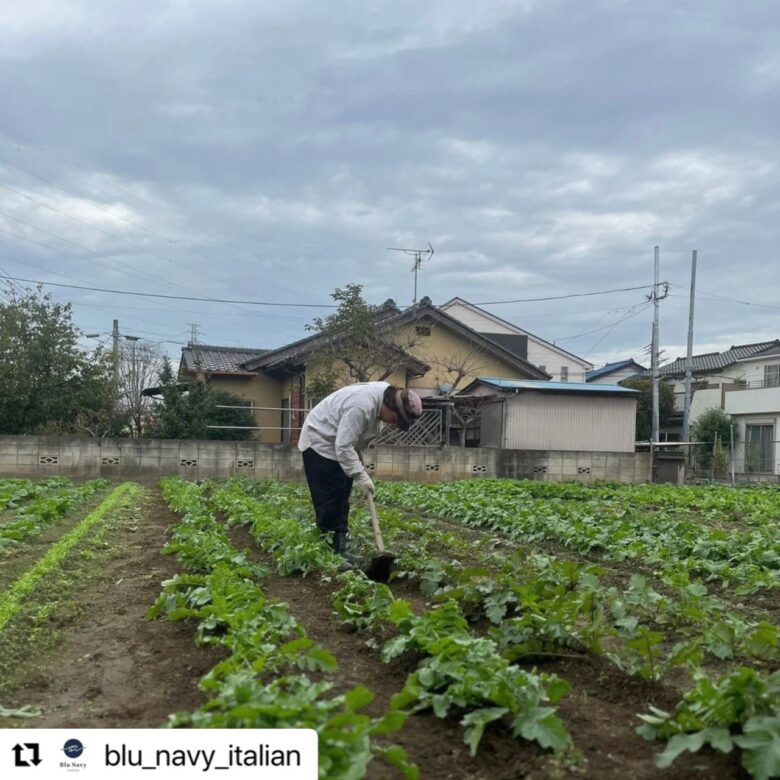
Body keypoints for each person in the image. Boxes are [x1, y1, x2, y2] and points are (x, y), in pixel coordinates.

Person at [298, 382, 423, 558]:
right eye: (395, 419)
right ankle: (329, 554)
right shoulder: (361, 406)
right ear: (390, 406)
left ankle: (340, 550)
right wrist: (361, 476)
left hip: (341, 444)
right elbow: (343, 445)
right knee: (330, 498)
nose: (393, 424)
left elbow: (355, 440)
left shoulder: (383, 400)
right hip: (320, 441)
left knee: (342, 497)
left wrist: (359, 467)